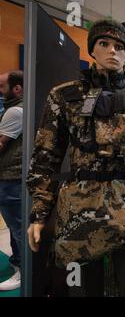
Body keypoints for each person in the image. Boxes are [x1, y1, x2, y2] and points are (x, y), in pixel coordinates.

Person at [26, 19, 125, 297]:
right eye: (103, 44)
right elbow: (45, 158)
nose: (112, 52)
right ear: (92, 50)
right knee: (78, 290)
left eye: (119, 46)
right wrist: (40, 213)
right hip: (80, 214)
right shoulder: (65, 97)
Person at [0, 70, 24, 291]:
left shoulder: (15, 111)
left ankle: (22, 271)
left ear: (16, 89)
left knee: (17, 227)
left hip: (11, 178)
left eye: (2, 86)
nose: (0, 91)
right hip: (12, 178)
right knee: (16, 226)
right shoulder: (15, 109)